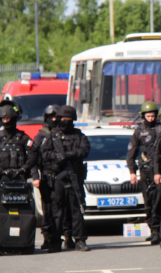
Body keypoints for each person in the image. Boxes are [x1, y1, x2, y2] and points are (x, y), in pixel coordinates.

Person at [127, 101, 161, 248]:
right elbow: (131, 152)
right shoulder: (139, 131)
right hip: (146, 171)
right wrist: (132, 172)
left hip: (160, 169)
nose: (151, 118)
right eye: (148, 116)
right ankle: (153, 231)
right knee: (149, 202)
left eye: (153, 115)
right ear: (143, 116)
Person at [44, 105, 90, 252]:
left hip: (74, 177)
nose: (66, 122)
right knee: (57, 211)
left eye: (69, 120)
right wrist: (56, 157)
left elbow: (85, 150)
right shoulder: (52, 136)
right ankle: (56, 241)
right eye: (63, 119)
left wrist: (69, 155)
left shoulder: (79, 135)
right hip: (58, 178)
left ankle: (80, 240)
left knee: (76, 210)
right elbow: (43, 154)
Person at [31, 105, 71, 250]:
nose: (54, 119)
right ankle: (48, 238)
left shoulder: (65, 132)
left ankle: (67, 236)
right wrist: (35, 176)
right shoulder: (41, 135)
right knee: (48, 210)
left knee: (65, 208)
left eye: (56, 116)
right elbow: (33, 158)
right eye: (51, 117)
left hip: (63, 177)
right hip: (46, 177)